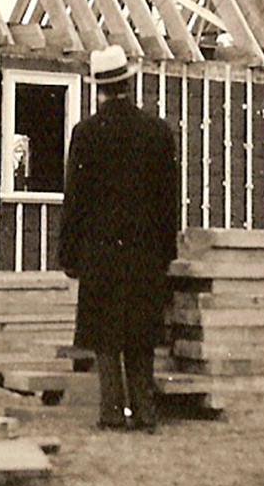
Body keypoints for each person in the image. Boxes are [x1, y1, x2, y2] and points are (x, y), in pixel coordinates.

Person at [58, 45, 179, 432]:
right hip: (144, 253)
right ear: (129, 82)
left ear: (98, 89)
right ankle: (145, 412)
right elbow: (168, 202)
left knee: (106, 338)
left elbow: (75, 200)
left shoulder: (86, 134)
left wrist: (69, 255)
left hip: (100, 254)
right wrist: (166, 253)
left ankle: (111, 411)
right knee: (141, 336)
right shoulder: (157, 132)